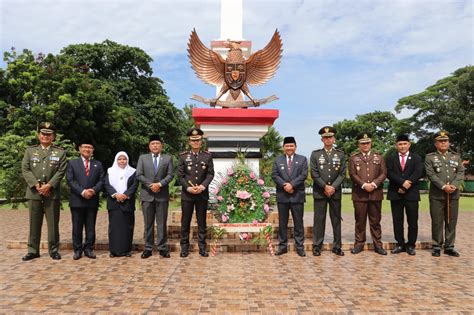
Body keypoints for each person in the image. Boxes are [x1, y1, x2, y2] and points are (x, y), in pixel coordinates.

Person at [21, 122, 67, 261]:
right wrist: (36, 185)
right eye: (43, 134)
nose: (45, 136)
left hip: (51, 193)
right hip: (34, 193)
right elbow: (25, 169)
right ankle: (33, 250)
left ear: (54, 137)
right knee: (34, 223)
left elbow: (61, 171)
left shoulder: (60, 152)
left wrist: (49, 186)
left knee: (53, 224)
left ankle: (53, 250)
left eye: (49, 134)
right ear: (38, 135)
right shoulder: (30, 151)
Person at [425, 131, 464, 257]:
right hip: (437, 195)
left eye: (445, 141)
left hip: (453, 194)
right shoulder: (430, 157)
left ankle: (449, 246)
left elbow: (460, 173)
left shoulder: (456, 157)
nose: (443, 143)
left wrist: (454, 185)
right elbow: (431, 174)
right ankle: (436, 246)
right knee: (437, 221)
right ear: (436, 143)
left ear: (449, 142)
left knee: (451, 221)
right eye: (440, 141)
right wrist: (443, 186)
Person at [348, 133, 387, 255]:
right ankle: (359, 244)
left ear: (371, 143)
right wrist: (364, 185)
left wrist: (374, 184)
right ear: (359, 144)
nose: (365, 145)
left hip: (375, 193)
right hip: (360, 194)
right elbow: (353, 174)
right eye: (362, 143)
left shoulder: (379, 157)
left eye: (367, 143)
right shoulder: (354, 158)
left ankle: (378, 245)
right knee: (360, 221)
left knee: (375, 221)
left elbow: (383, 173)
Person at [178, 128, 214, 258]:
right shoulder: (183, 156)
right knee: (185, 222)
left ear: (201, 141)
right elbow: (180, 176)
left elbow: (210, 174)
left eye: (198, 140)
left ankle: (202, 248)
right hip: (187, 194)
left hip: (201, 194)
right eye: (193, 140)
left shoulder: (207, 156)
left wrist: (203, 186)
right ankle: (184, 248)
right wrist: (188, 188)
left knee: (201, 222)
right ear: (189, 142)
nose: (195, 142)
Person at [136, 135, 174, 259]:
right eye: (153, 144)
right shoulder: (143, 158)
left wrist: (160, 184)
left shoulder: (167, 158)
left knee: (162, 223)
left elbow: (170, 175)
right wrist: (150, 185)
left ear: (161, 146)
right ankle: (148, 248)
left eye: (157, 143)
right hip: (147, 195)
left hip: (162, 196)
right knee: (148, 223)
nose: (155, 146)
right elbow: (139, 174)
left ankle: (162, 248)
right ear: (149, 146)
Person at [310, 126, 346, 257]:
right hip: (320, 192)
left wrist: (333, 187)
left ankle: (337, 246)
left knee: (336, 220)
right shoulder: (316, 154)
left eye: (330, 137)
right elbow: (314, 173)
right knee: (319, 220)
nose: (328, 139)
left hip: (335, 192)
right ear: (322, 139)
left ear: (334, 138)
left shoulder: (341, 154)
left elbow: (342, 174)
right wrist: (325, 186)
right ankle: (317, 246)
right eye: (325, 137)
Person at [66, 140, 104, 260]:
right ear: (80, 149)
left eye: (90, 147)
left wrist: (93, 190)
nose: (87, 149)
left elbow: (102, 180)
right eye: (85, 147)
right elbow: (70, 180)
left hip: (92, 200)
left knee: (90, 227)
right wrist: (82, 191)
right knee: (77, 227)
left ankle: (89, 248)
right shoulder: (72, 163)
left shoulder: (98, 164)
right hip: (77, 200)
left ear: (93, 150)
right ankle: (77, 250)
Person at [386, 134, 423, 255]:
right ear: (396, 145)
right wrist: (402, 183)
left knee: (412, 220)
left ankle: (411, 245)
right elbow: (389, 173)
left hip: (411, 193)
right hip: (396, 193)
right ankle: (400, 243)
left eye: (405, 144)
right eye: (400, 144)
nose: (402, 146)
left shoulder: (416, 157)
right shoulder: (391, 158)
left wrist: (408, 183)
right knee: (397, 220)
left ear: (409, 144)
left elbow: (418, 172)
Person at [271, 136, 308, 257]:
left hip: (297, 195)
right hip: (283, 196)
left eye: (291, 146)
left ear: (295, 147)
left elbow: (303, 175)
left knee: (298, 222)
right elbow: (275, 175)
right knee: (282, 223)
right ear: (283, 147)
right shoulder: (278, 160)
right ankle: (282, 246)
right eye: (287, 146)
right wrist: (284, 185)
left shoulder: (302, 159)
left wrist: (292, 185)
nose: (289, 148)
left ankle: (300, 247)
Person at [104, 151, 138, 258]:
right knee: (114, 227)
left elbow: (134, 185)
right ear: (116, 160)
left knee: (127, 227)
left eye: (124, 159)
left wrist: (125, 195)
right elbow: (107, 184)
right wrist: (115, 194)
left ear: (127, 160)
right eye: (120, 159)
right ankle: (113, 250)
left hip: (127, 202)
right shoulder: (110, 171)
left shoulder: (133, 171)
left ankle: (126, 250)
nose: (122, 161)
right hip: (114, 203)